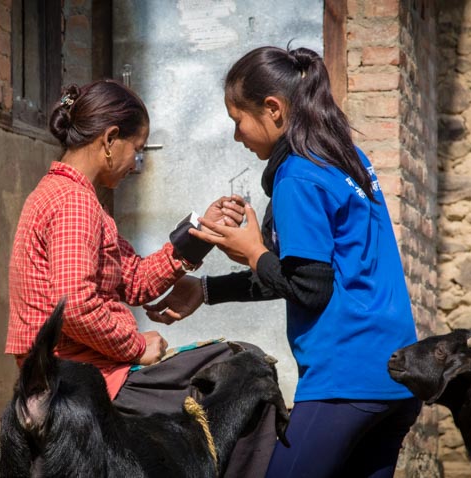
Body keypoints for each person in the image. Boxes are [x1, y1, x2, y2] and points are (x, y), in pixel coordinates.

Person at [145, 46, 422, 477]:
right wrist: (206, 289)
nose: (237, 136)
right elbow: (298, 275)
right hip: (397, 373)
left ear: (272, 109)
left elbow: (310, 288)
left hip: (346, 379)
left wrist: (254, 251)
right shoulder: (346, 158)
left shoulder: (297, 175)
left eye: (238, 121)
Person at [5, 79, 275, 477]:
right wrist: (135, 345)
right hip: (84, 380)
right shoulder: (74, 203)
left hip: (71, 375)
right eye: (137, 148)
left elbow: (135, 280)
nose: (136, 163)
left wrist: (200, 233)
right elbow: (75, 305)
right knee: (248, 369)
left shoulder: (66, 196)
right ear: (111, 139)